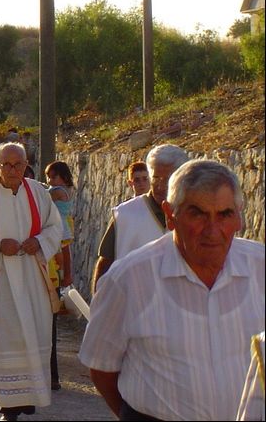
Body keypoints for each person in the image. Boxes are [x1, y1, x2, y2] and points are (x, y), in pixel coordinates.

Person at [79, 160, 265, 421]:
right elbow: (101, 368)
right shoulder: (128, 280)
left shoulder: (260, 268)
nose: (212, 231)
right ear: (170, 215)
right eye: (198, 213)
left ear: (239, 216)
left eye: (224, 214)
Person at [0, 143, 63, 421]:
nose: (12, 170)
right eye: (6, 164)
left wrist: (39, 242)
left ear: (26, 164)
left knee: (34, 335)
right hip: (0, 283)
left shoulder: (39, 194)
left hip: (32, 278)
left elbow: (56, 227)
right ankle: (8, 406)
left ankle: (28, 398)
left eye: (18, 164)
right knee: (4, 340)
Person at [93, 144, 189, 293]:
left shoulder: (195, 215)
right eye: (156, 177)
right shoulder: (125, 215)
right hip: (133, 310)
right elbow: (105, 265)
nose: (160, 186)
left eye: (168, 179)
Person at [43, 160, 75, 391]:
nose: (50, 182)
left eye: (54, 177)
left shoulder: (57, 193)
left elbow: (64, 247)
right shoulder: (62, 193)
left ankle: (50, 375)